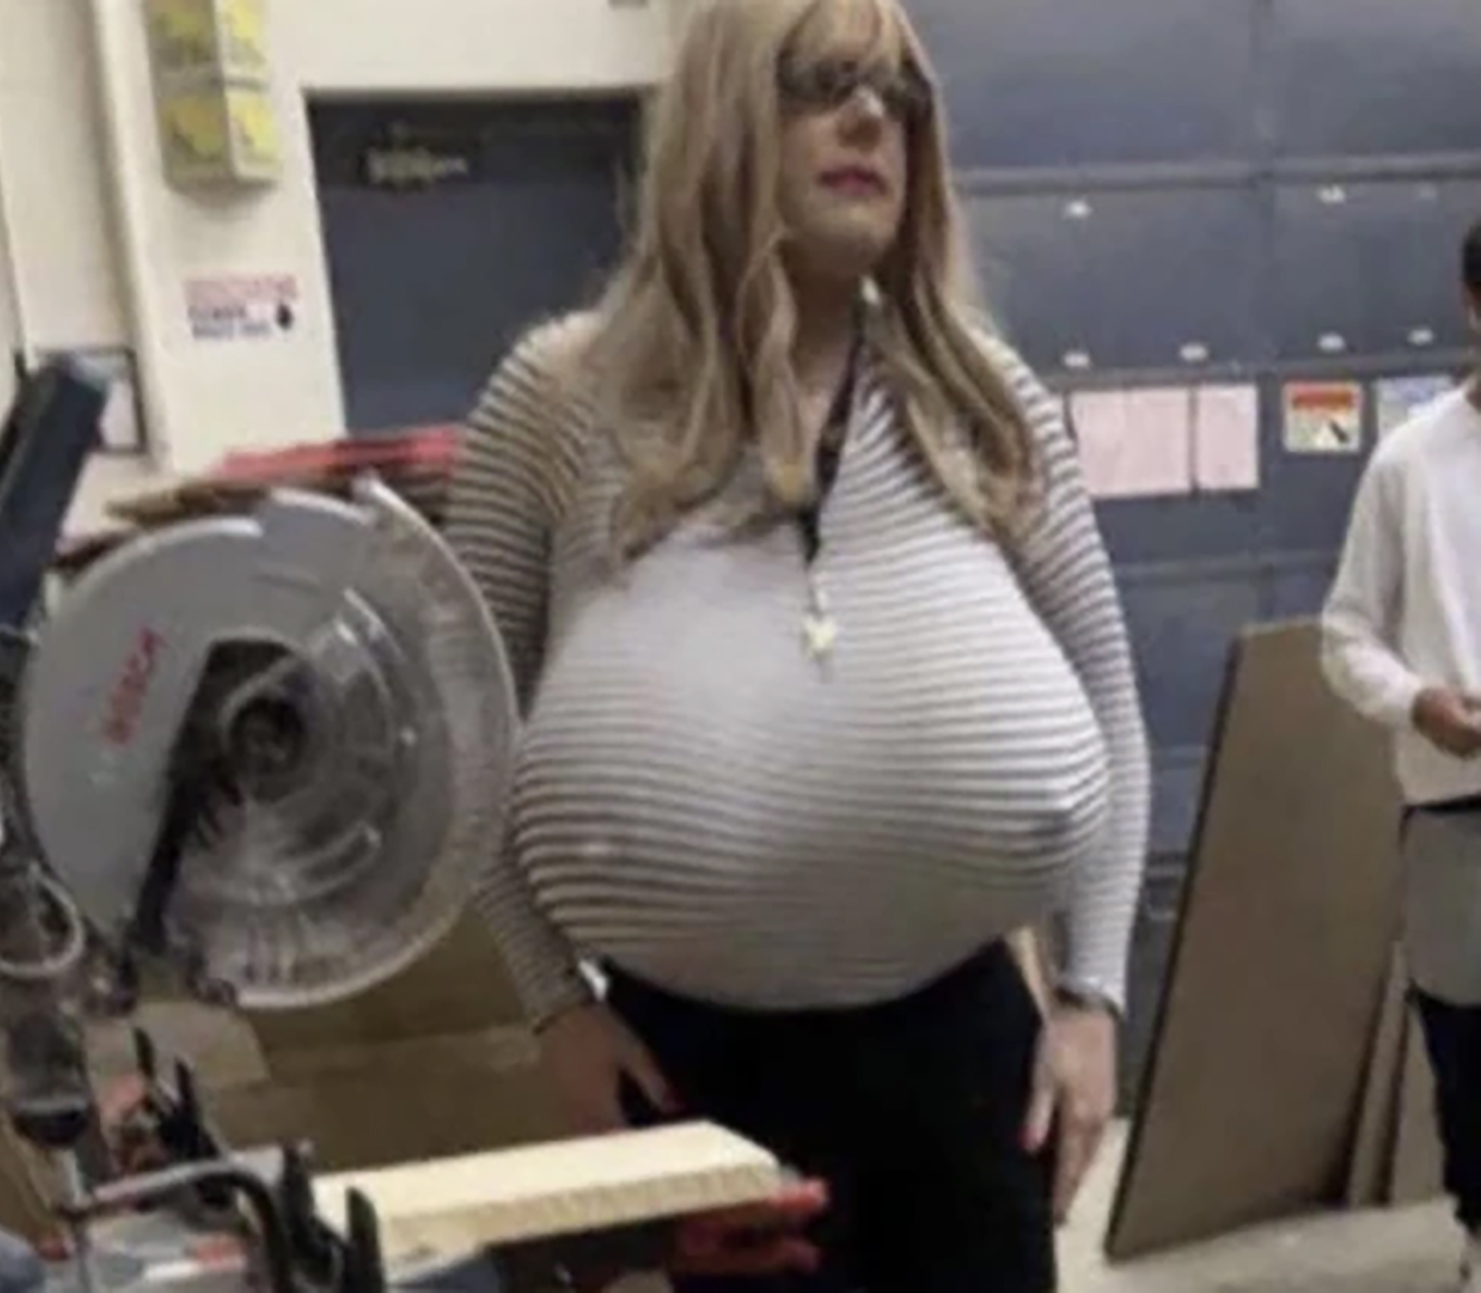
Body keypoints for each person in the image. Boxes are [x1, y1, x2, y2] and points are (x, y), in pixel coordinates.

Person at [445, 0, 1150, 1287]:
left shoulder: (982, 400)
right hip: (694, 1071)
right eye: (822, 80)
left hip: (964, 1063)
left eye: (899, 94)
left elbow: (1110, 700)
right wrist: (553, 1005)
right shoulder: (558, 402)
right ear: (724, 117)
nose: (871, 117)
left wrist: (1092, 996)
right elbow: (462, 740)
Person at [1322, 217, 1481, 1291]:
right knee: (1468, 1058)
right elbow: (1344, 636)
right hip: (1455, 812)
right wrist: (1416, 701)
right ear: (1473, 305)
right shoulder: (1410, 464)